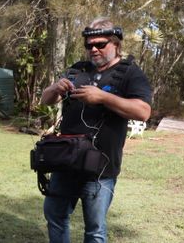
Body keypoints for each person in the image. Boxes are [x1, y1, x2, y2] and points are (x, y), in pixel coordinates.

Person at [40, 17, 152, 243]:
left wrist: (102, 97)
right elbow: (45, 100)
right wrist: (55, 88)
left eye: (100, 44)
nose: (93, 49)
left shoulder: (130, 73)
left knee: (94, 229)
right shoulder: (77, 69)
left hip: (101, 169)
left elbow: (143, 111)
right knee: (55, 216)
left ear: (116, 44)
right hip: (65, 162)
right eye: (89, 45)